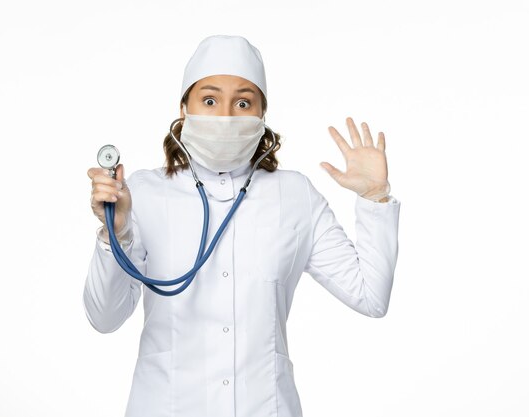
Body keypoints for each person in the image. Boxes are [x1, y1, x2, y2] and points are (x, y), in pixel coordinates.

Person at [83, 34, 401, 417]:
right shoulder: (145, 194)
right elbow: (104, 317)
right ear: (184, 108)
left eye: (244, 102)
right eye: (211, 100)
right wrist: (115, 234)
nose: (227, 116)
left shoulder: (294, 195)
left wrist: (375, 197)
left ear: (262, 115)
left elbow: (371, 296)